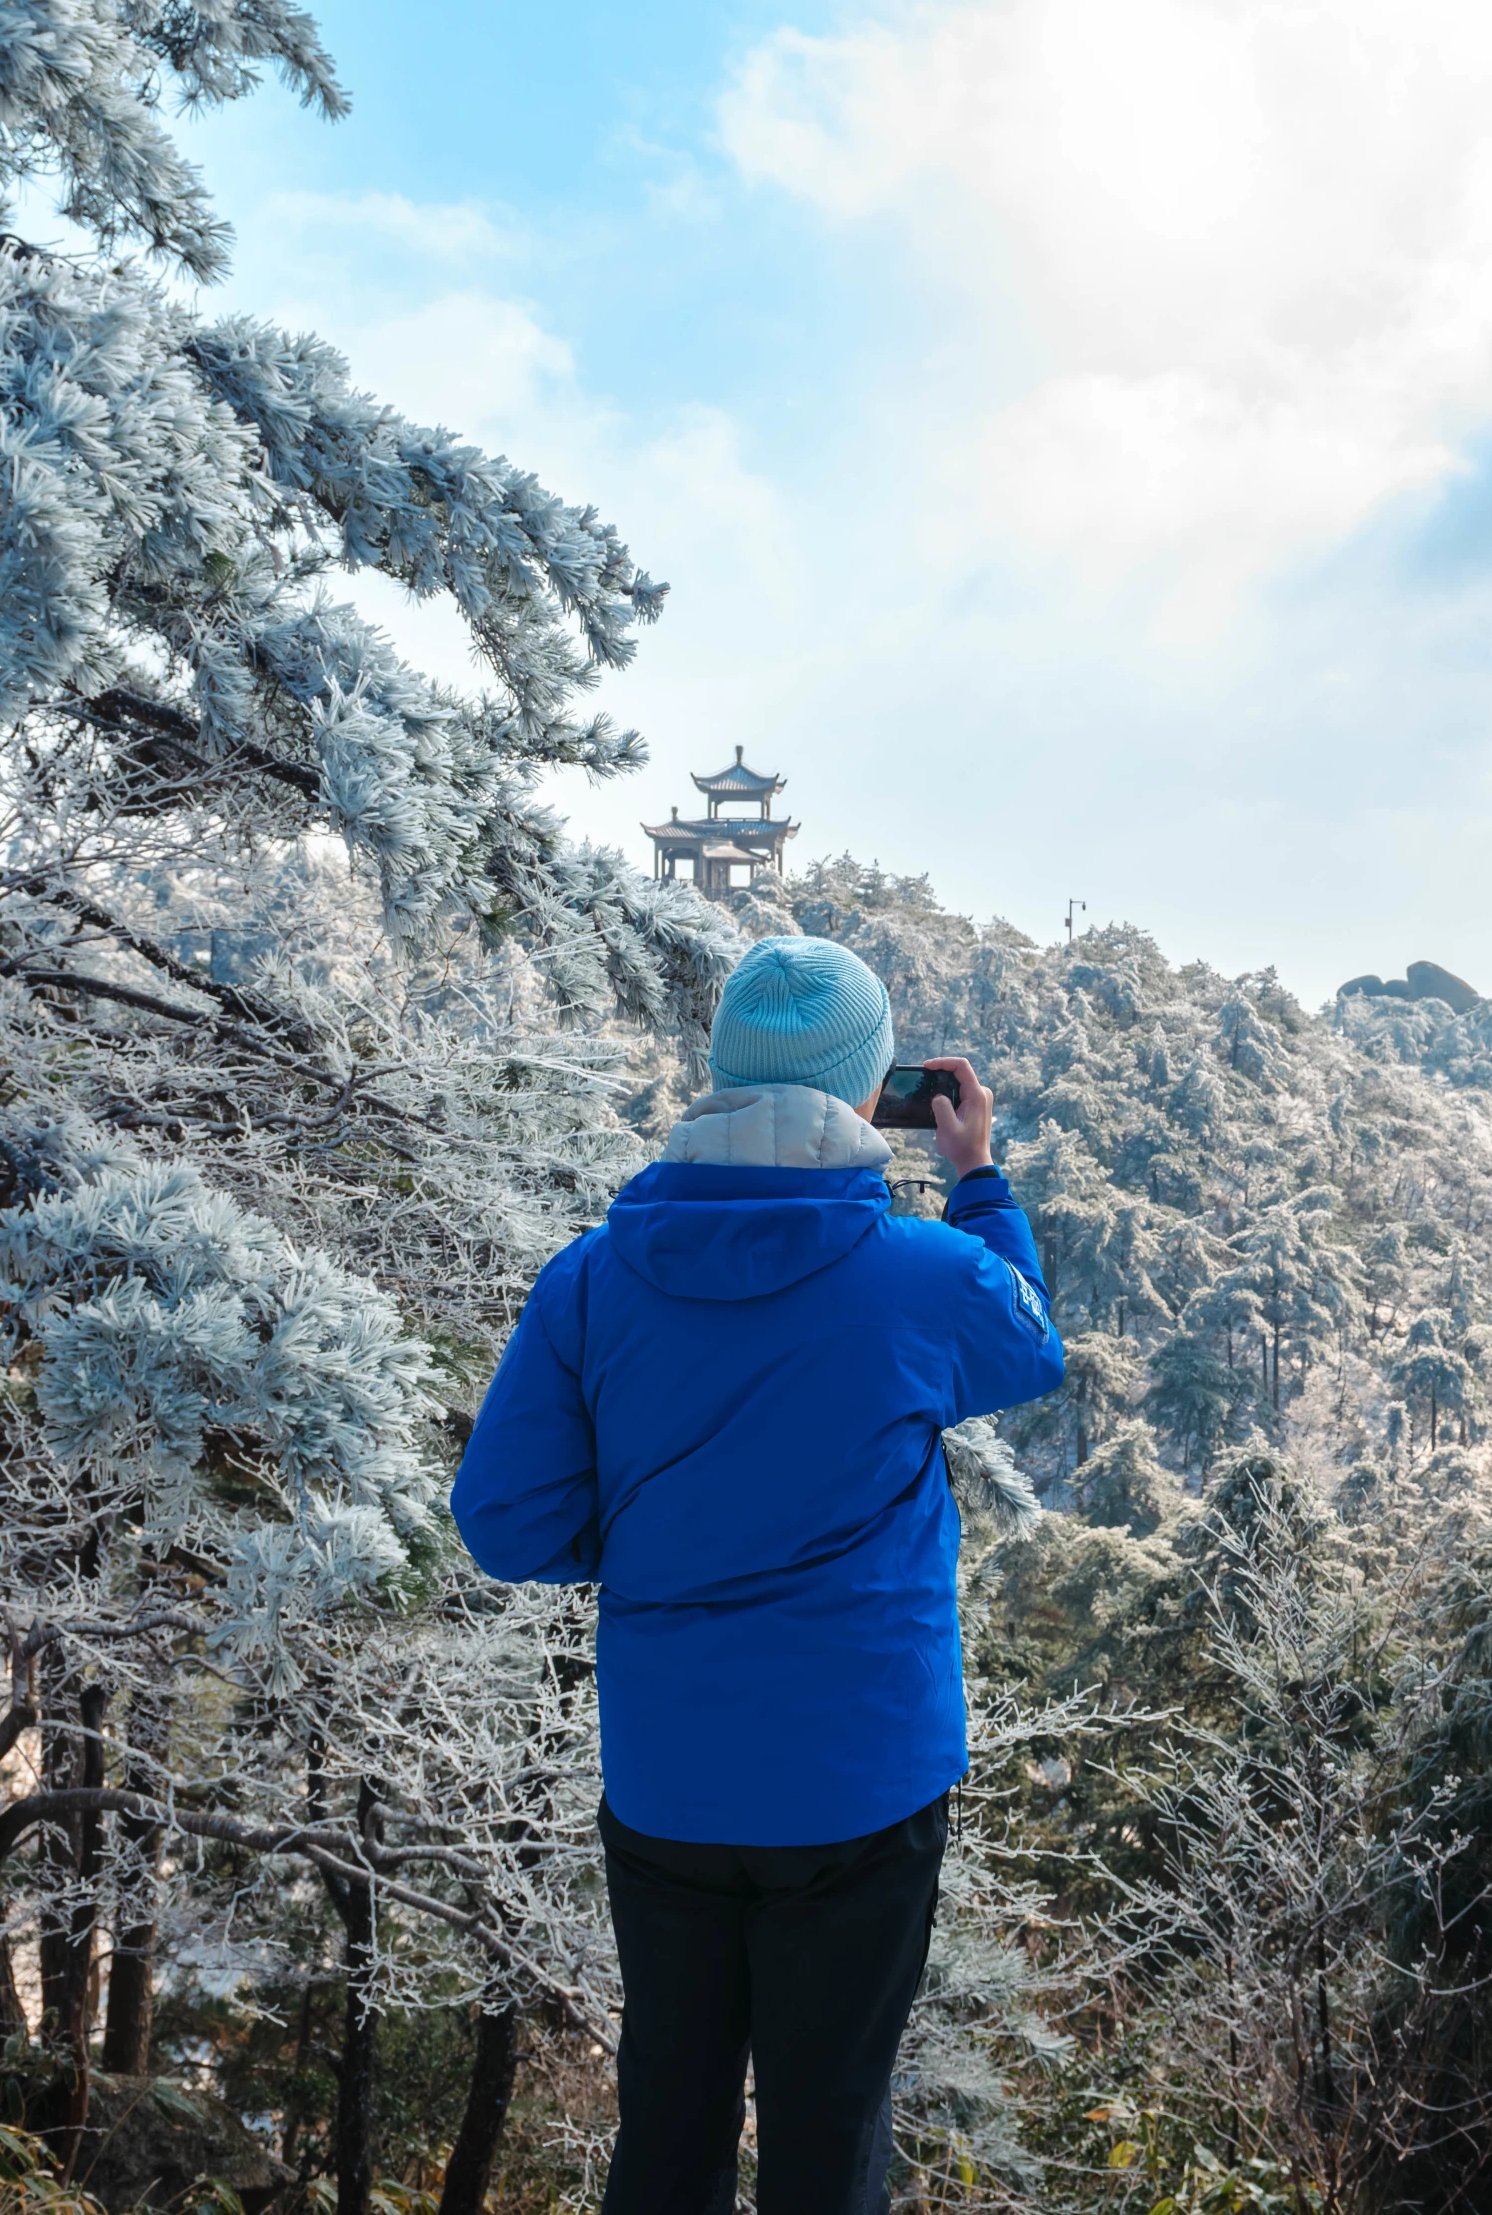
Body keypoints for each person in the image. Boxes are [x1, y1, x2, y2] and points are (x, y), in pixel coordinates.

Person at [453, 934, 1064, 2213]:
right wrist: (976, 1172)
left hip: (670, 1782)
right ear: (865, 1092)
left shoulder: (588, 1282)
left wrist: (658, 1540)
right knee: (825, 2136)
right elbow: (1028, 1345)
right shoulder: (924, 1277)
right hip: (860, 1784)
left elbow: (505, 1524)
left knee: (666, 2130)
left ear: (719, 1074)